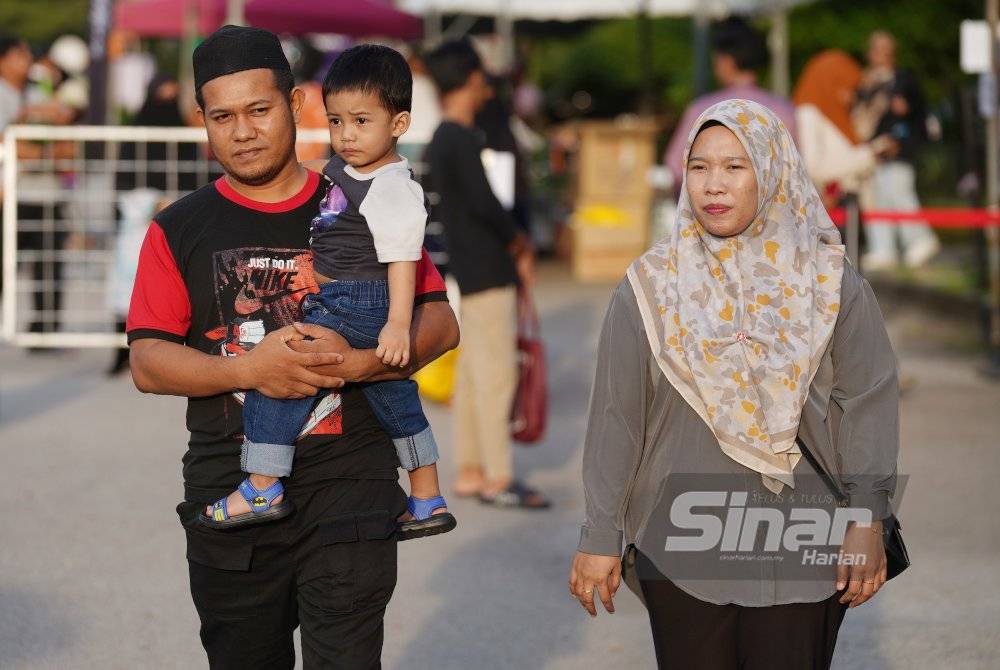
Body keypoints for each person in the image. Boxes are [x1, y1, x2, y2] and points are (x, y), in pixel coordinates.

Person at [127, 25, 459, 667]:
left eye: (259, 109)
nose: (243, 131)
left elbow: (441, 322)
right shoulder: (176, 228)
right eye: (222, 117)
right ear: (202, 120)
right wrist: (251, 370)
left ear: (296, 104)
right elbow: (147, 361)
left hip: (350, 491)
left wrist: (362, 364)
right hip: (231, 491)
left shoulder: (360, 199)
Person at [569, 100, 900, 669]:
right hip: (683, 542)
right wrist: (600, 535)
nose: (712, 184)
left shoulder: (829, 284)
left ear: (771, 171)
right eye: (698, 167)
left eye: (734, 166)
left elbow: (866, 402)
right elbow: (617, 418)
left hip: (804, 542)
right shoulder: (651, 286)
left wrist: (868, 518)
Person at [203, 43, 457, 542]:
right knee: (394, 395)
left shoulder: (392, 186)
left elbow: (403, 258)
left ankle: (262, 485)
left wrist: (397, 325)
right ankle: (427, 496)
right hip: (350, 300)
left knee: (285, 371)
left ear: (400, 123)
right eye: (337, 121)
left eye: (361, 121)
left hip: (358, 302)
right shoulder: (352, 170)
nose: (347, 135)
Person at [424, 39, 549, 509]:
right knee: (495, 375)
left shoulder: (441, 138)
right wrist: (519, 242)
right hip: (490, 268)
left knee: (474, 373)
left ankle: (472, 470)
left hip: (466, 266)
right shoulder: (460, 137)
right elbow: (487, 205)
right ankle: (499, 476)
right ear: (473, 78)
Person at [663, 17, 797, 188]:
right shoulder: (784, 109)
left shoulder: (703, 110)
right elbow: (795, 169)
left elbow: (676, 166)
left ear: (726, 61)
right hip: (772, 202)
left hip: (714, 201)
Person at [854, 30, 940, 271]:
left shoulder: (904, 79)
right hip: (871, 151)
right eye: (875, 48)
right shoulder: (866, 81)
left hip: (899, 150)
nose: (879, 54)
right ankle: (884, 249)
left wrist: (903, 136)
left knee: (900, 195)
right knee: (876, 200)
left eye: (884, 49)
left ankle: (920, 240)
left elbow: (917, 114)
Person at [793, 50, 896, 208]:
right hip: (836, 210)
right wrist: (870, 154)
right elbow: (814, 169)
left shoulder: (836, 113)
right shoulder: (809, 112)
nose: (851, 97)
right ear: (832, 82)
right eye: (849, 89)